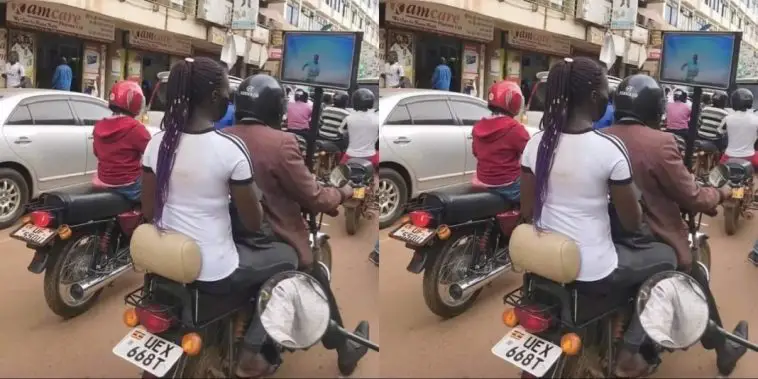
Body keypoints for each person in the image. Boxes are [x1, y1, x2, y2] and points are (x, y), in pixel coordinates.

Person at [519, 57, 677, 378]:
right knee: (667, 258)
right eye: (606, 90)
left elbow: (526, 210)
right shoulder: (609, 149)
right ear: (593, 97)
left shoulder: (535, 144)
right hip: (593, 269)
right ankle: (630, 354)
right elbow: (632, 223)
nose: (608, 98)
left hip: (542, 261)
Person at [226, 74, 368, 377]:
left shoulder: (222, 135)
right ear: (277, 110)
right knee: (312, 276)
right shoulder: (280, 143)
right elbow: (314, 196)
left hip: (227, 233)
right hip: (272, 237)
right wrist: (342, 193)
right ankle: (344, 350)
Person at [606, 74, 748, 377]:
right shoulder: (660, 142)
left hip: (606, 233)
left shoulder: (601, 134)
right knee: (691, 273)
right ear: (656, 111)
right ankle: (723, 350)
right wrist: (721, 194)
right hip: (652, 236)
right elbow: (692, 195)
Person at [140, 56, 267, 345]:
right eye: (227, 95)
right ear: (213, 97)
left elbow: (148, 210)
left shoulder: (156, 144)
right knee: (284, 259)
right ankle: (252, 349)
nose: (228, 101)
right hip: (213, 271)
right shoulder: (230, 149)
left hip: (163, 262)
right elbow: (254, 222)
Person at [92, 80, 151, 202]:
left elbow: (96, 152)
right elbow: (152, 153)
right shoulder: (135, 128)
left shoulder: (99, 125)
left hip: (102, 181)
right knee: (156, 194)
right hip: (129, 186)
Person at [471, 80, 529, 202]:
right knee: (535, 193)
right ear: (515, 101)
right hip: (507, 185)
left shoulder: (478, 126)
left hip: (481, 181)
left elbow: (476, 152)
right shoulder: (515, 128)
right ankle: (525, 219)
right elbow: (531, 153)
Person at [720, 88, 758, 169]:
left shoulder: (727, 119)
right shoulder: (756, 119)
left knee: (718, 176)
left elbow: (720, 131)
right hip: (750, 157)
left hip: (729, 156)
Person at [340, 89, 379, 167]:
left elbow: (341, 132)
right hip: (371, 156)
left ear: (354, 102)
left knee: (340, 173)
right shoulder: (377, 118)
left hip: (350, 155)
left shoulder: (348, 118)